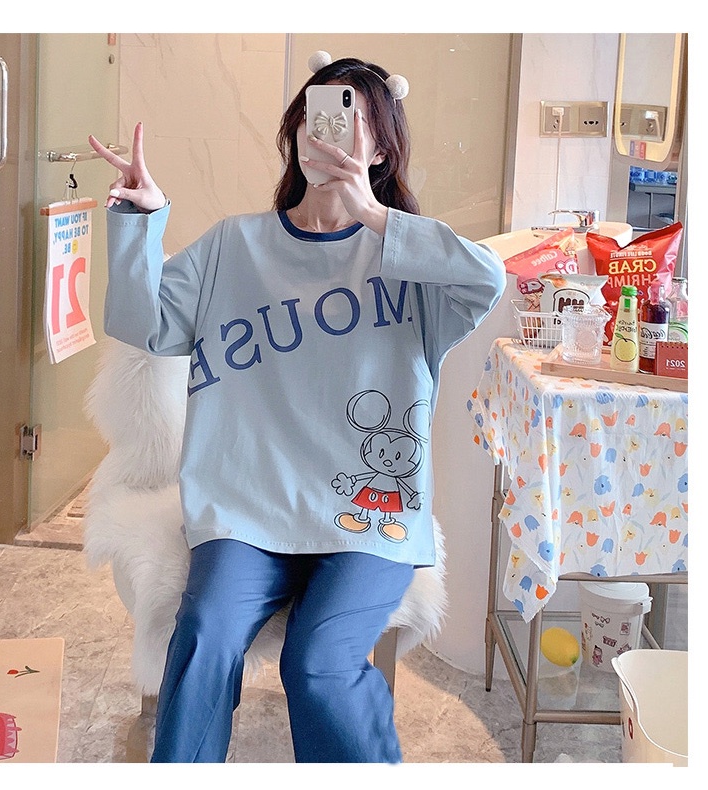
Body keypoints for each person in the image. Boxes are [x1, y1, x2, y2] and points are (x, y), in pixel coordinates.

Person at [89, 52, 505, 764]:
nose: (331, 135)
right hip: (247, 510)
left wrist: (374, 215)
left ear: (382, 148)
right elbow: (142, 324)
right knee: (204, 638)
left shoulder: (412, 263)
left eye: (354, 122)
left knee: (318, 665)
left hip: (367, 516)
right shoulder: (233, 246)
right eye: (319, 117)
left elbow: (486, 279)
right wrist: (141, 221)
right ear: (296, 132)